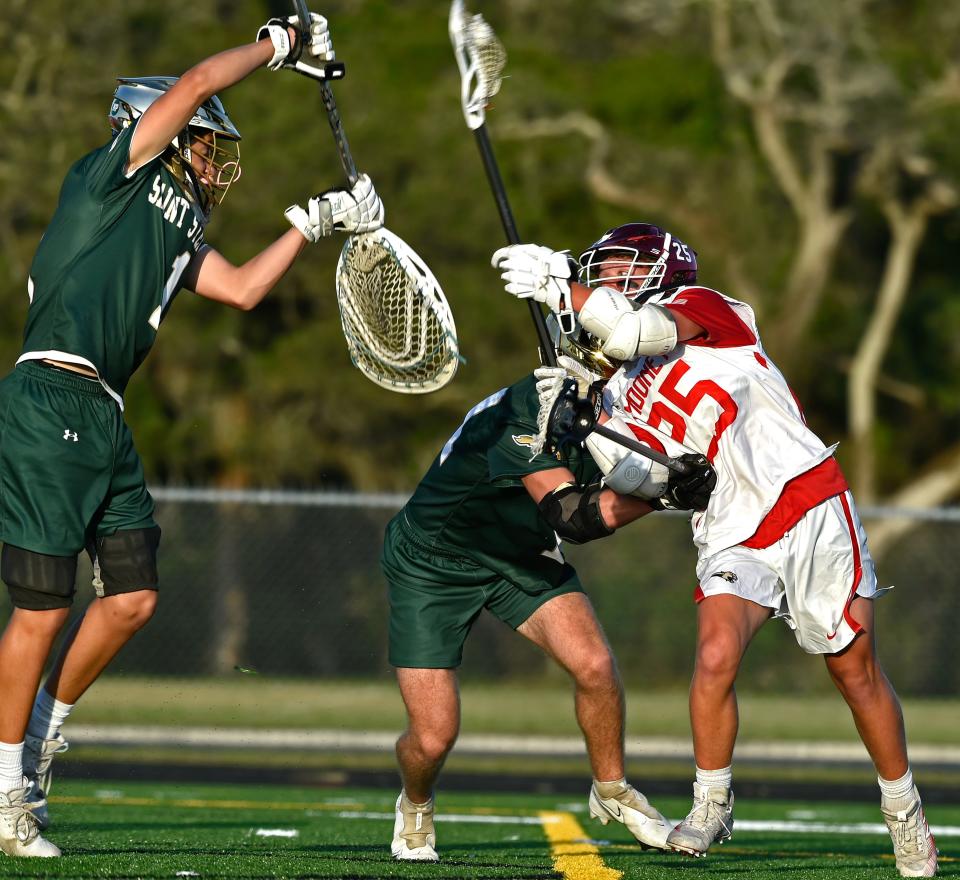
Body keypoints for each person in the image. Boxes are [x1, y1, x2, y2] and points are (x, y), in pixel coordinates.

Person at [0, 13, 384, 858]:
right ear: (168, 136)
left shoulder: (178, 223)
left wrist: (317, 222)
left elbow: (244, 289)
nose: (215, 158)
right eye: (208, 145)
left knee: (133, 598)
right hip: (49, 392)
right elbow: (200, 84)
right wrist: (280, 45)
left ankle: (37, 739)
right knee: (41, 608)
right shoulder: (117, 172)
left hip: (103, 411)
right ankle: (3, 794)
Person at [493, 223, 938, 879]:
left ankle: (904, 811)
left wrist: (563, 287)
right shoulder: (614, 389)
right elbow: (634, 480)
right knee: (713, 654)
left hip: (806, 499)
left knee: (854, 671)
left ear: (658, 268)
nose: (611, 278)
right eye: (603, 271)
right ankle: (711, 803)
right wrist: (579, 418)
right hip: (730, 521)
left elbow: (635, 331)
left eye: (619, 268)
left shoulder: (710, 309)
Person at [382, 364, 715, 862]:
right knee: (433, 737)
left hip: (519, 554)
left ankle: (611, 787)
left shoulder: (630, 403)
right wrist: (666, 495)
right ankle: (415, 802)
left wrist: (679, 478)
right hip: (434, 563)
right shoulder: (525, 412)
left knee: (595, 667)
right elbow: (572, 516)